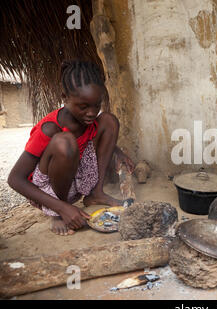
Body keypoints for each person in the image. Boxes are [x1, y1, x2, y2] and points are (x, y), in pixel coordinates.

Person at [8, 60, 134, 236]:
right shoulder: (49, 128)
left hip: (77, 181)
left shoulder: (87, 120)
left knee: (109, 120)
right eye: (83, 106)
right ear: (65, 98)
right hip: (49, 192)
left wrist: (116, 150)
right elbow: (15, 179)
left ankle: (96, 193)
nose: (91, 113)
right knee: (64, 142)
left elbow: (92, 138)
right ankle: (58, 213)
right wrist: (62, 207)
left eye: (96, 105)